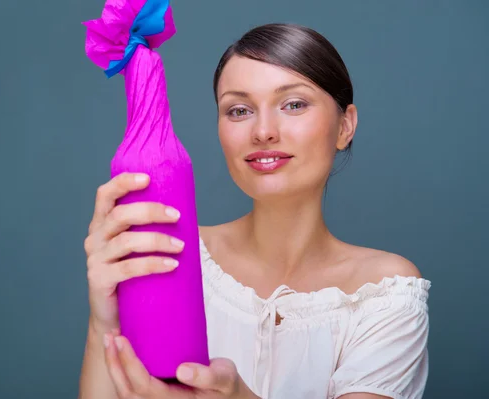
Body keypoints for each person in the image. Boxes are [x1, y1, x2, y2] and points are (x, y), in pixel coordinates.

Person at [78, 23, 430, 399]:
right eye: (239, 110)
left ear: (346, 126)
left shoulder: (384, 294)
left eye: (293, 104)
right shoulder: (169, 255)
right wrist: (105, 323)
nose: (263, 132)